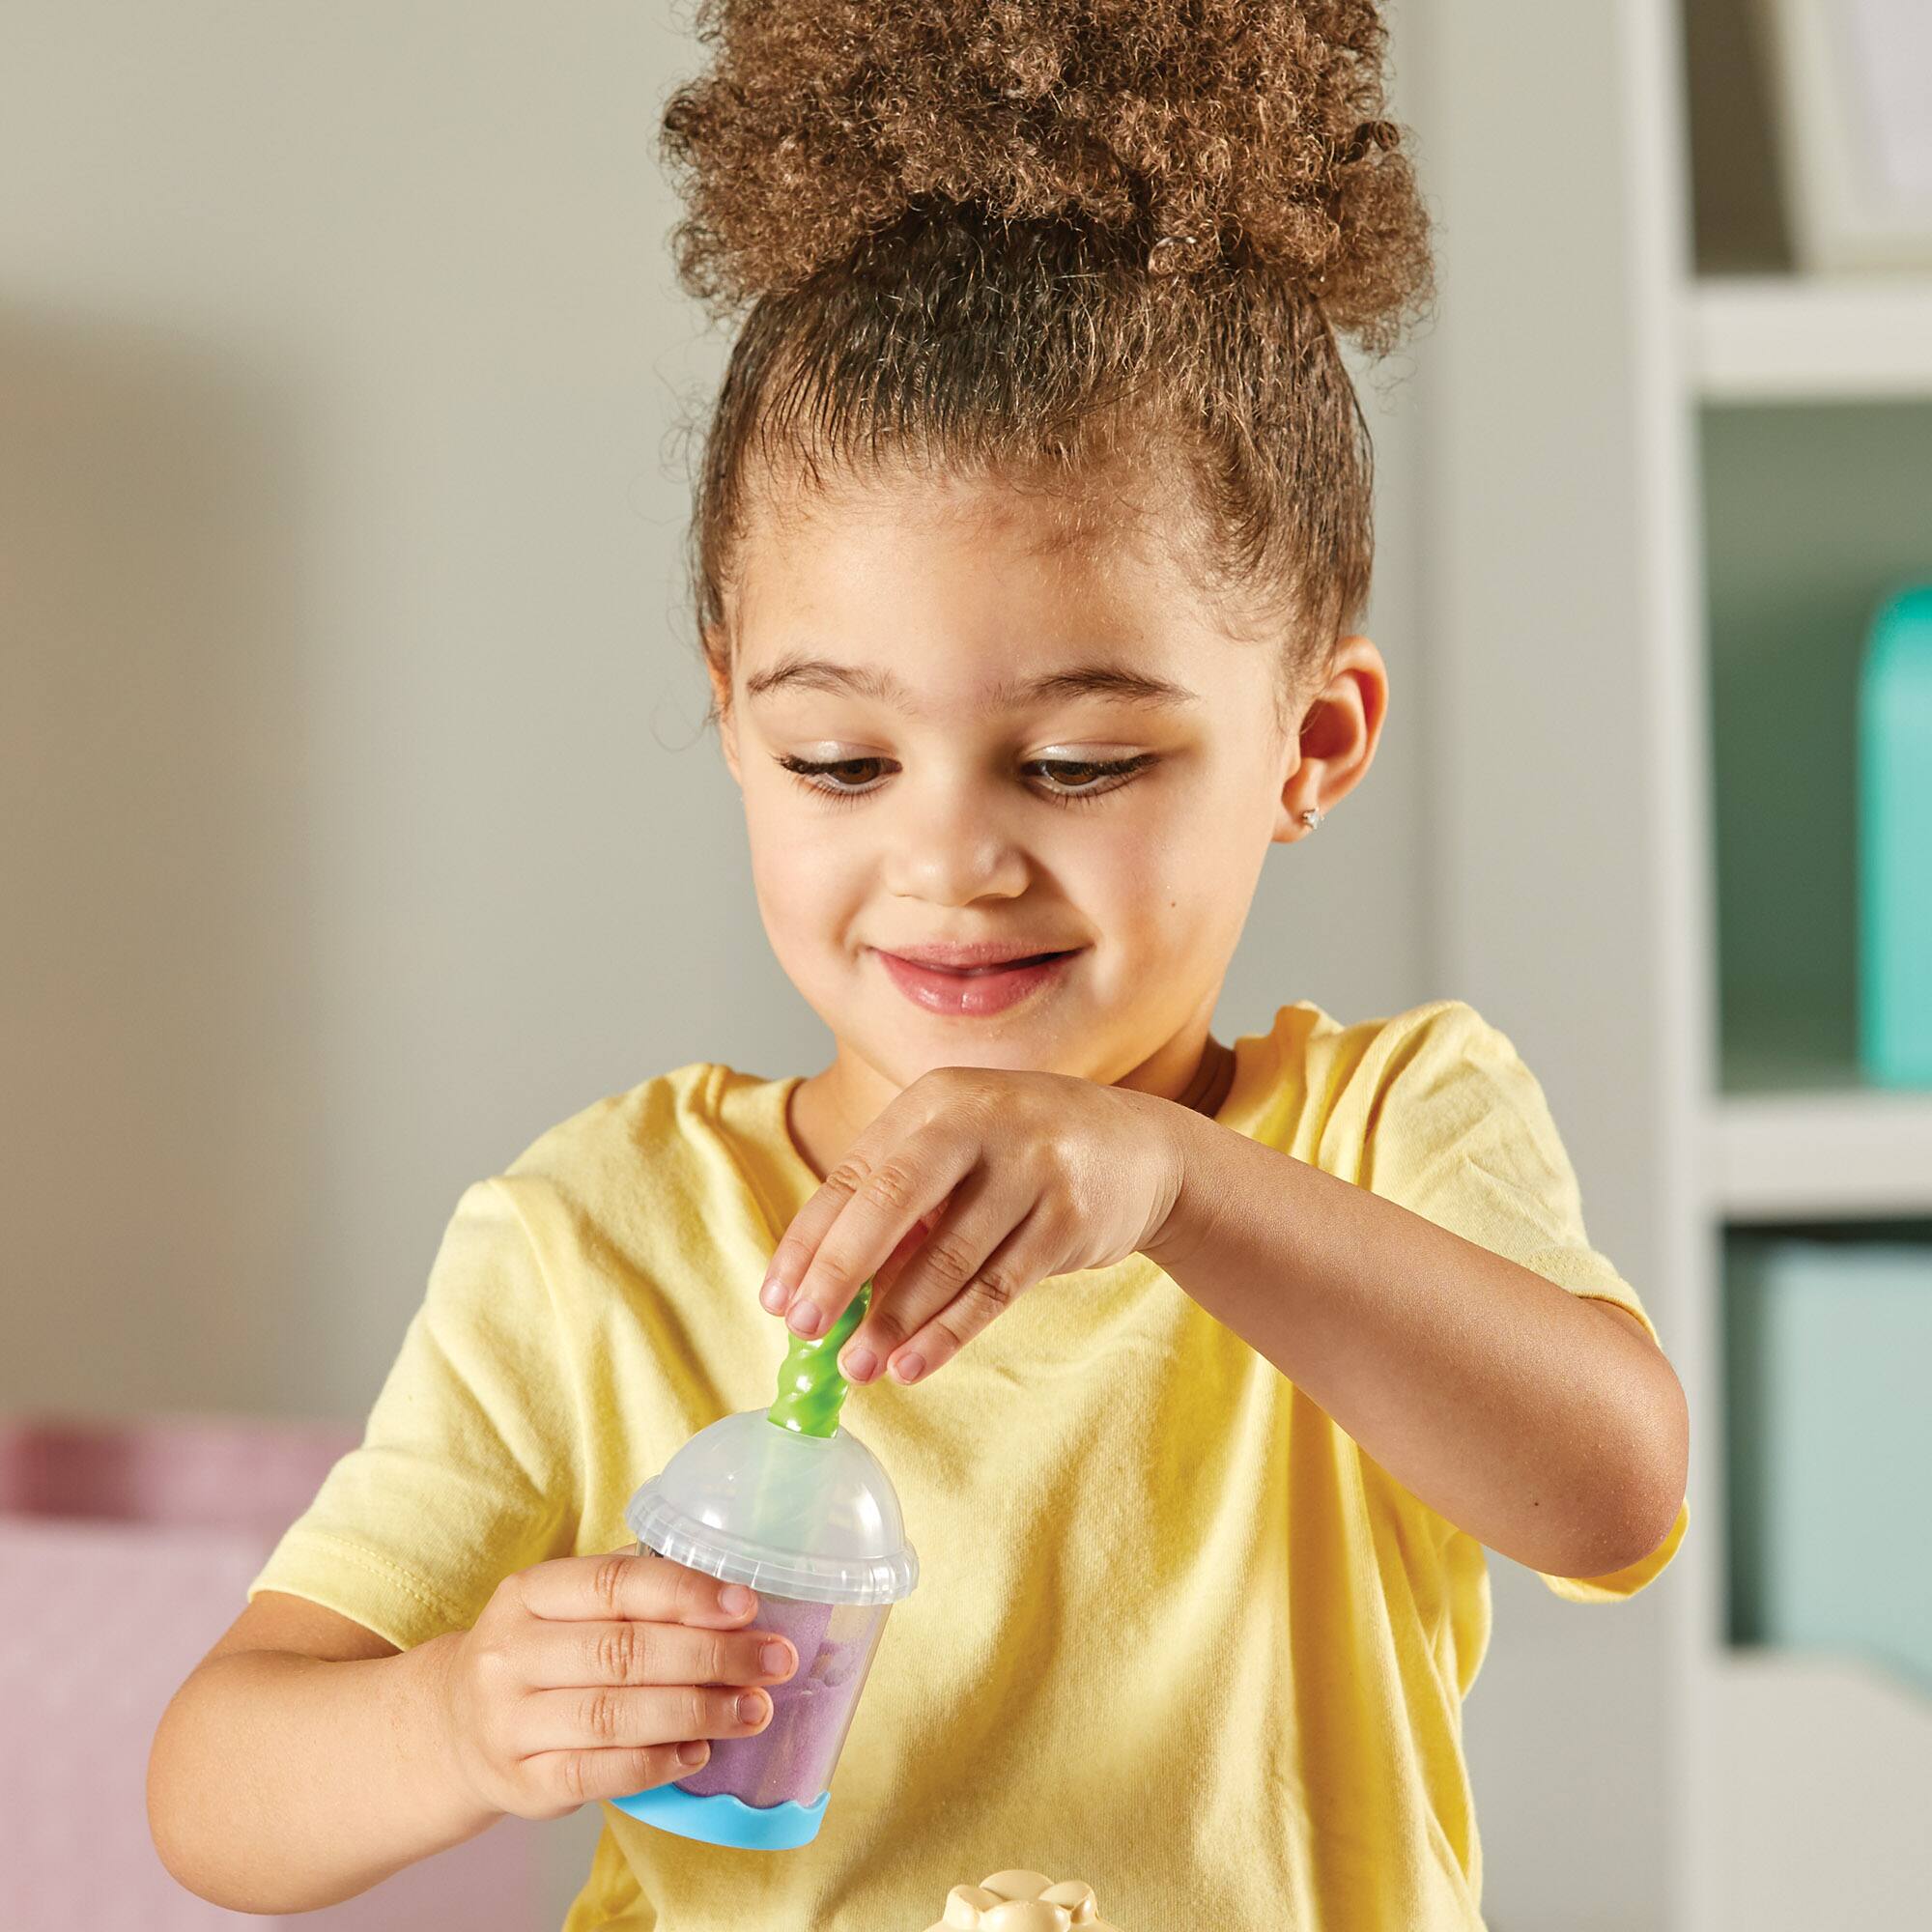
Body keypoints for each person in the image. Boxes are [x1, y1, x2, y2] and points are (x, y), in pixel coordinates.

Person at [146, 3, 1690, 1927]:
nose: (950, 853)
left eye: (1077, 761)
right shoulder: (598, 1238)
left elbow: (1615, 1489)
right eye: (840, 760)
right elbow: (214, 1788)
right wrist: (462, 1716)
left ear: (1310, 742)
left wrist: (1186, 1186)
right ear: (728, 714)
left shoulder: (1385, 1136)